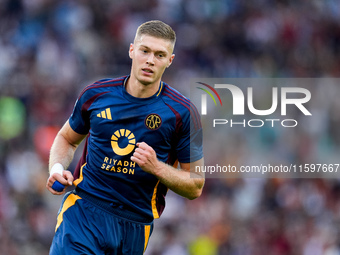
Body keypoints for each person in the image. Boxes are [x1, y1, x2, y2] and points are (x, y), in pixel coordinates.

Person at [46, 20, 204, 255]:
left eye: (160, 55)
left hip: (136, 226)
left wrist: (157, 168)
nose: (150, 60)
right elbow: (67, 139)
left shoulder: (182, 113)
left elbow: (195, 185)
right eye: (145, 51)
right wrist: (57, 168)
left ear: (170, 61)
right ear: (132, 50)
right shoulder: (96, 94)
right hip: (84, 211)